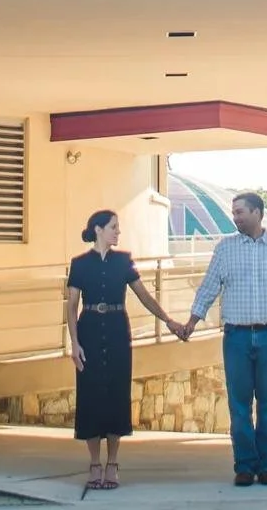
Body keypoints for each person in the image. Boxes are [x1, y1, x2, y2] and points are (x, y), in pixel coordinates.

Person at [179, 190, 267, 487]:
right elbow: (208, 288)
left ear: (257, 213)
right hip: (235, 338)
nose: (234, 217)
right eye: (234, 212)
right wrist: (191, 323)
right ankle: (245, 466)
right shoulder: (225, 250)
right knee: (239, 405)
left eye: (239, 212)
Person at [65, 209, 184, 490]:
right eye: (113, 227)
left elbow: (143, 295)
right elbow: (71, 306)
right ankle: (94, 462)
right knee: (91, 394)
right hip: (89, 330)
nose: (118, 232)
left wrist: (167, 320)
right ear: (98, 229)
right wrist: (75, 343)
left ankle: (113, 462)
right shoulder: (79, 264)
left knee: (116, 394)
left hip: (118, 331)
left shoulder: (123, 261)